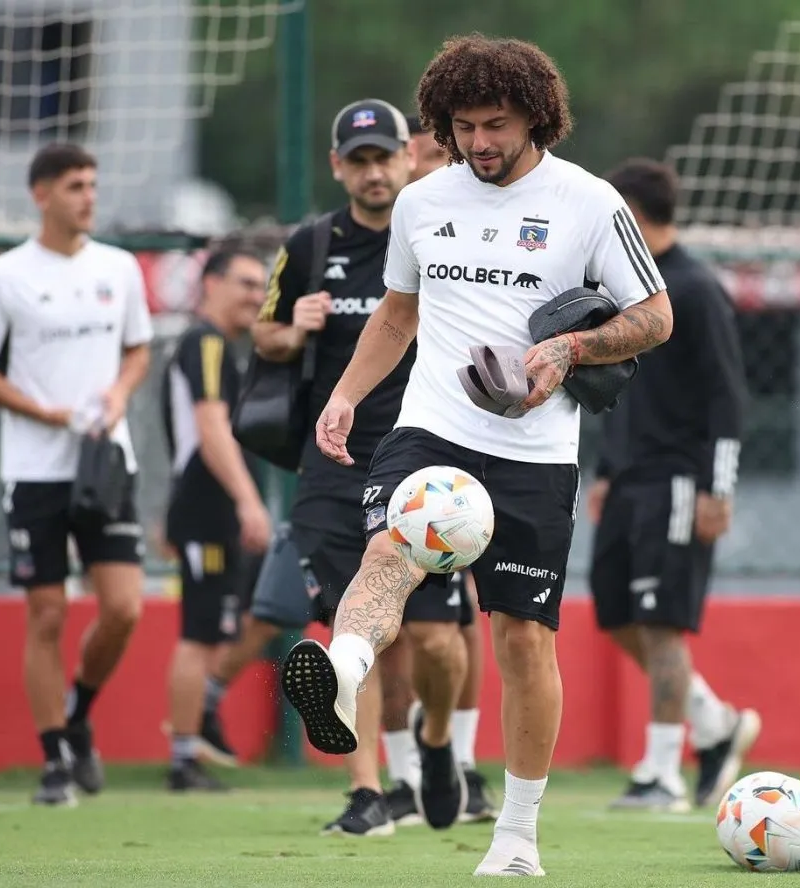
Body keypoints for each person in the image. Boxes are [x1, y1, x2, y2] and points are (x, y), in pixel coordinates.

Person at [281, 35, 673, 876]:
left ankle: (517, 835)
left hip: (536, 453)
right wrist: (345, 396)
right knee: (390, 548)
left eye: (496, 124)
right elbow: (396, 316)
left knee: (525, 639)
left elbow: (654, 317)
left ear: (538, 116)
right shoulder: (424, 204)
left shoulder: (590, 202)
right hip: (432, 431)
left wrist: (568, 352)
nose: (479, 142)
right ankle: (345, 670)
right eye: (463, 126)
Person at [200, 98, 467, 836]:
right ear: (336, 168)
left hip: (425, 457)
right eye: (359, 160)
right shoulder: (313, 242)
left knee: (436, 640)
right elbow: (263, 334)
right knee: (353, 625)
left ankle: (437, 751)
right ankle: (368, 793)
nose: (374, 172)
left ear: (409, 158)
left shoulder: (442, 236)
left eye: (384, 157)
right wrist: (294, 329)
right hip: (336, 461)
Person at [0, 143, 153, 806]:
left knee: (125, 608)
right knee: (46, 612)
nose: (88, 197)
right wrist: (44, 412)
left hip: (105, 459)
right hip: (36, 469)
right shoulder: (5, 277)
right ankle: (52, 761)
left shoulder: (120, 268)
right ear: (41, 194)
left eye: (93, 184)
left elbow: (137, 348)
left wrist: (121, 395)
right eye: (75, 186)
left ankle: (77, 715)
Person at [587, 157, 761, 812]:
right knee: (618, 616)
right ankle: (715, 723)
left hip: (682, 482)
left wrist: (720, 488)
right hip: (629, 480)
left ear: (631, 214)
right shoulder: (632, 295)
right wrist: (605, 470)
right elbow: (623, 394)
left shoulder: (694, 289)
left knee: (662, 626)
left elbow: (727, 396)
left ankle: (661, 774)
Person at [376, 114, 495, 827]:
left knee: (453, 628)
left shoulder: (477, 221)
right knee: (380, 614)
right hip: (371, 445)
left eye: (425, 153)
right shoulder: (368, 232)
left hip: (451, 447)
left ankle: (459, 757)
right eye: (409, 153)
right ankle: (396, 777)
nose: (416, 164)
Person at [160, 248, 272, 791]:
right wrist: (249, 501)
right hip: (206, 509)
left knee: (270, 604)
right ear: (210, 283)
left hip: (219, 510)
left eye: (261, 285)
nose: (255, 295)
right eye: (245, 283)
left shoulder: (224, 348)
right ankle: (183, 758)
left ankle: (203, 709)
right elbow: (210, 428)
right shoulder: (203, 342)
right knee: (199, 633)